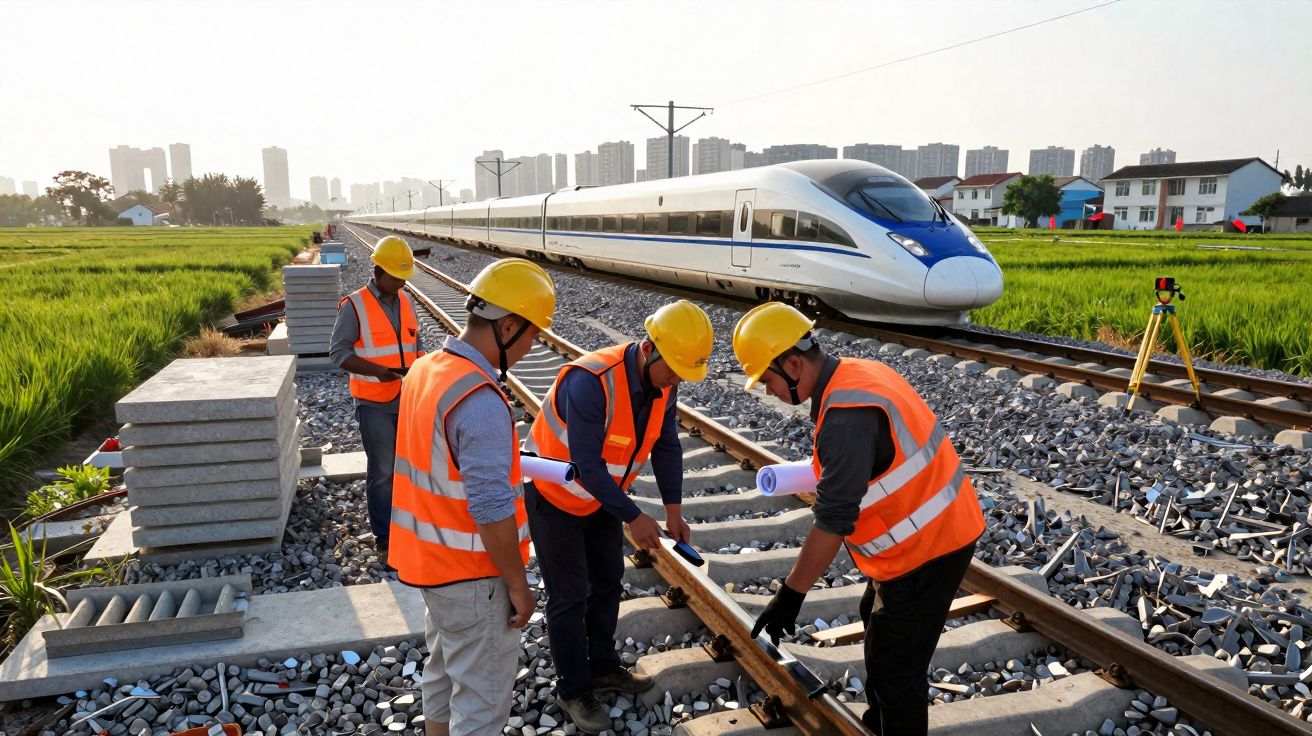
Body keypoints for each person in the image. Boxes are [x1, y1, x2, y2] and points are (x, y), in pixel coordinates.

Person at [732, 302, 985, 736]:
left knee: (895, 667)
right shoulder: (856, 373)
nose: (768, 391)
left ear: (793, 363)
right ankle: (879, 723)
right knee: (878, 624)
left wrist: (790, 596)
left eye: (768, 379)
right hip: (936, 529)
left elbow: (833, 521)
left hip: (928, 548)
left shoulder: (846, 417)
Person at [524, 300, 714, 734]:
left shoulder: (666, 383)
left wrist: (673, 511)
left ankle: (604, 667)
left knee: (608, 580)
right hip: (554, 495)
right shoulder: (591, 382)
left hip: (600, 500)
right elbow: (588, 464)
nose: (677, 379)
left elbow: (666, 446)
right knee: (569, 595)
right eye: (674, 369)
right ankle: (573, 688)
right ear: (648, 348)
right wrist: (633, 516)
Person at [389, 257, 556, 736]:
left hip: (430, 568)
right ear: (507, 326)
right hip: (475, 578)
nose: (531, 348)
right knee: (480, 705)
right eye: (531, 337)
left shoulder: (425, 371)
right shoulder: (480, 401)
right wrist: (519, 586)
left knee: (441, 675)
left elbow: (442, 464)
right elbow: (490, 508)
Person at [329, 235, 423, 560]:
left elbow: (416, 345)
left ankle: (407, 528)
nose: (400, 282)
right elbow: (338, 353)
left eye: (404, 277)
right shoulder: (355, 305)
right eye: (396, 276)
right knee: (383, 470)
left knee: (407, 468)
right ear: (378, 270)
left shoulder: (407, 302)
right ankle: (385, 539)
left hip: (407, 398)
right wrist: (377, 371)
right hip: (374, 402)